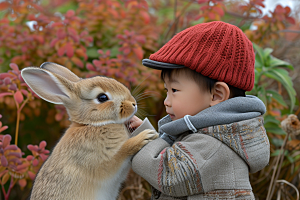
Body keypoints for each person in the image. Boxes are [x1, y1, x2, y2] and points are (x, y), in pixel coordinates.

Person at [129, 21, 270, 200]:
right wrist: (142, 132)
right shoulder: (213, 134)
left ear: (217, 95)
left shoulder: (214, 146)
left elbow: (168, 174)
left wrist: (139, 139)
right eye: (166, 90)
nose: (166, 101)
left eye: (174, 90)